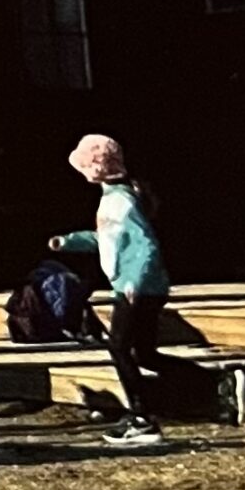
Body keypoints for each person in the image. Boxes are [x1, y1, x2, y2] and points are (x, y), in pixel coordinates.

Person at [52, 135, 172, 449]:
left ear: (96, 169)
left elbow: (145, 244)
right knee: (144, 352)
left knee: (119, 347)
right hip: (140, 286)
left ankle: (142, 417)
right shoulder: (115, 197)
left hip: (135, 287)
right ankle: (208, 385)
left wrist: (133, 281)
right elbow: (108, 237)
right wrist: (71, 241)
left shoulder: (121, 200)